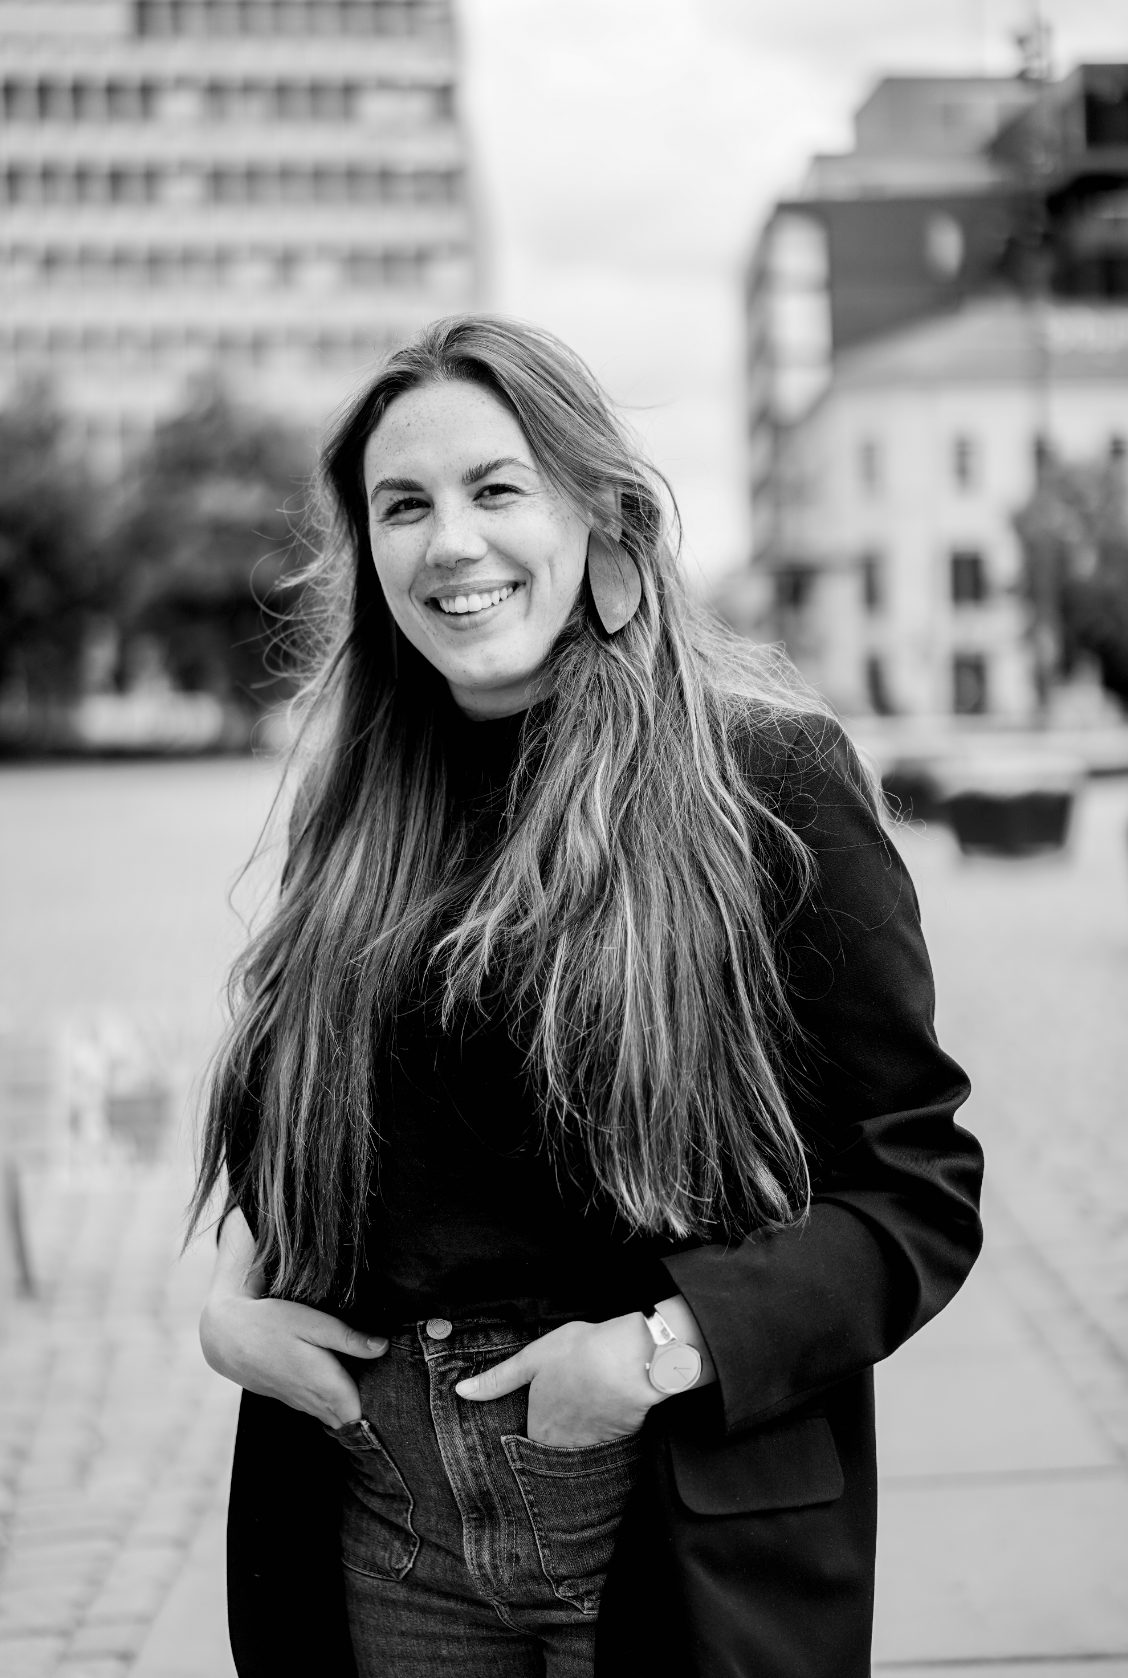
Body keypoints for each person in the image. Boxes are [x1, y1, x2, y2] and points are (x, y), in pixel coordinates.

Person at [189, 314, 983, 1678]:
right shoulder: (360, 812)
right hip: (387, 1515)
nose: (452, 543)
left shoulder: (764, 782)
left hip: (659, 1499)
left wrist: (660, 1348)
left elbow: (917, 1186)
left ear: (602, 521)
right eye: (404, 506)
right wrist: (236, 1311)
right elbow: (311, 1152)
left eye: (497, 489)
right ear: (369, 556)